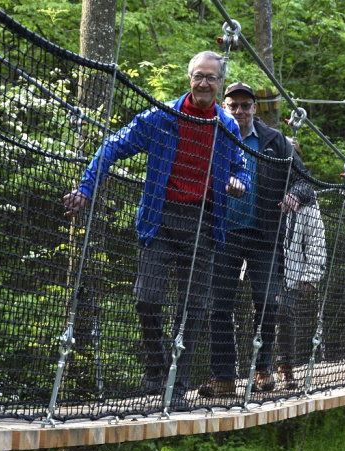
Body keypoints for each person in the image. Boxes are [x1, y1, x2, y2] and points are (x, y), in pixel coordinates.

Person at [63, 51, 250, 407]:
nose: (204, 83)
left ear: (220, 82)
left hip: (203, 222)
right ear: (189, 78)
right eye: (198, 76)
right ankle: (156, 364)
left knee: (191, 309)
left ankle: (176, 388)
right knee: (146, 299)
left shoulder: (227, 126)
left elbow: (243, 168)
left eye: (211, 77)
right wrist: (86, 188)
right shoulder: (161, 117)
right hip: (161, 218)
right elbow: (112, 146)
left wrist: (239, 182)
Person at [198, 82, 313, 397]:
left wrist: (293, 194)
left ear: (254, 108)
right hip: (223, 233)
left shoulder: (275, 142)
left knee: (266, 302)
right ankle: (223, 377)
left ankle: (262, 368)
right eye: (232, 105)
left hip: (264, 234)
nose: (239, 111)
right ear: (225, 106)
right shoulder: (214, 133)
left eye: (245, 106)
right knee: (219, 305)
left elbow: (306, 182)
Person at [274, 139, 326, 390]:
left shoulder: (307, 199)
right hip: (264, 262)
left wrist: (311, 275)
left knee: (284, 312)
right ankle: (260, 369)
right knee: (260, 314)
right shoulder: (267, 184)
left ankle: (285, 367)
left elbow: (316, 239)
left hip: (291, 269)